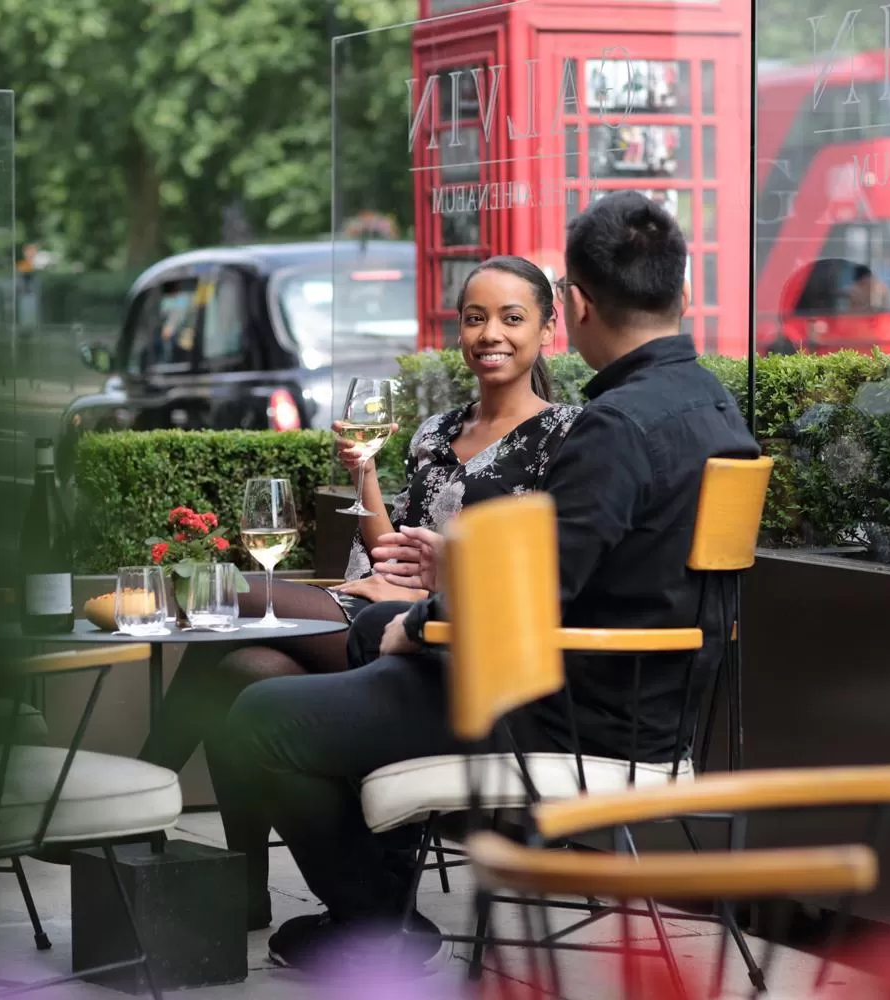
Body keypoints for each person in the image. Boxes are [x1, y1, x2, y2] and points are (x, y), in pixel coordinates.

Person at [221, 191, 761, 973]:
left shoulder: (614, 425)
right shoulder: (714, 406)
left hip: (560, 714)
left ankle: (378, 930)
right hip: (647, 710)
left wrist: (415, 624)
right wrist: (450, 579)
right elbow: (593, 570)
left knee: (263, 714)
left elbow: (543, 596)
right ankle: (380, 905)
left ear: (571, 307)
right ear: (682, 292)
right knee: (330, 668)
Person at [142, 255, 581, 931]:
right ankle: (246, 891)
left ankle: (144, 794)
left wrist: (434, 583)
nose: (489, 333)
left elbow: (536, 573)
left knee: (235, 593)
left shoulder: (566, 438)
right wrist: (368, 477)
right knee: (240, 662)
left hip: (442, 642)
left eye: (511, 317)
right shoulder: (438, 432)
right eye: (474, 318)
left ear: (548, 329)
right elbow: (392, 544)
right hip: (383, 612)